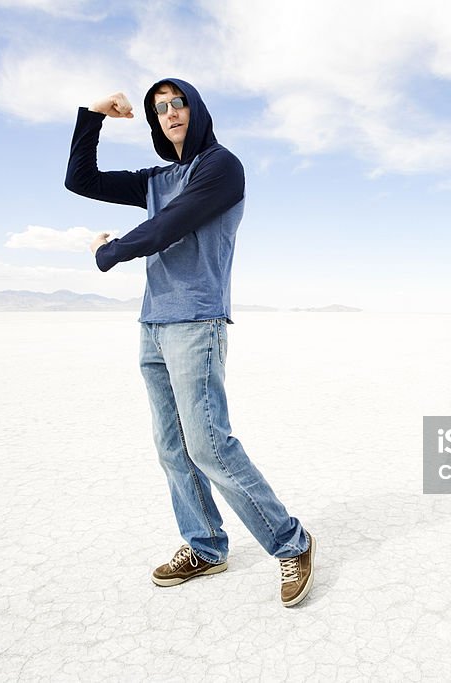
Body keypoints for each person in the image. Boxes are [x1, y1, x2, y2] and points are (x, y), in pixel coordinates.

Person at [65, 78, 315, 607]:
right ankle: (205, 546)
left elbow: (169, 228)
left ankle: (292, 541)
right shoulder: (156, 178)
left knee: (209, 445)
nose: (170, 112)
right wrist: (94, 115)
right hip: (153, 323)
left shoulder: (221, 167)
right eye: (160, 108)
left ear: (195, 110)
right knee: (172, 447)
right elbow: (79, 179)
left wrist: (109, 251)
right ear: (155, 122)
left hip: (195, 322)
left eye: (178, 103)